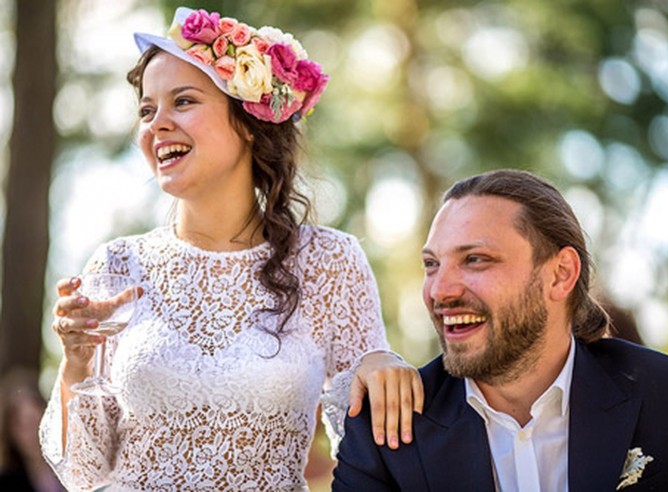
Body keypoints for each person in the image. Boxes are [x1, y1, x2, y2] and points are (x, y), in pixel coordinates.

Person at [39, 6, 423, 491]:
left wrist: (379, 363)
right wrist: (76, 363)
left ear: (248, 122)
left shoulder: (330, 262)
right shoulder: (118, 265)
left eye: (183, 101)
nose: (157, 124)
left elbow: (369, 440)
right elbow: (84, 472)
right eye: (146, 110)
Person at [333, 169, 668, 491]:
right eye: (432, 264)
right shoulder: (384, 434)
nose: (440, 291)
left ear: (560, 275)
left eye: (475, 259)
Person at [0, 369, 64, 491]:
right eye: (24, 426)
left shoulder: (73, 467)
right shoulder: (6, 481)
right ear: (10, 431)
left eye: (37, 422)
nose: (33, 433)